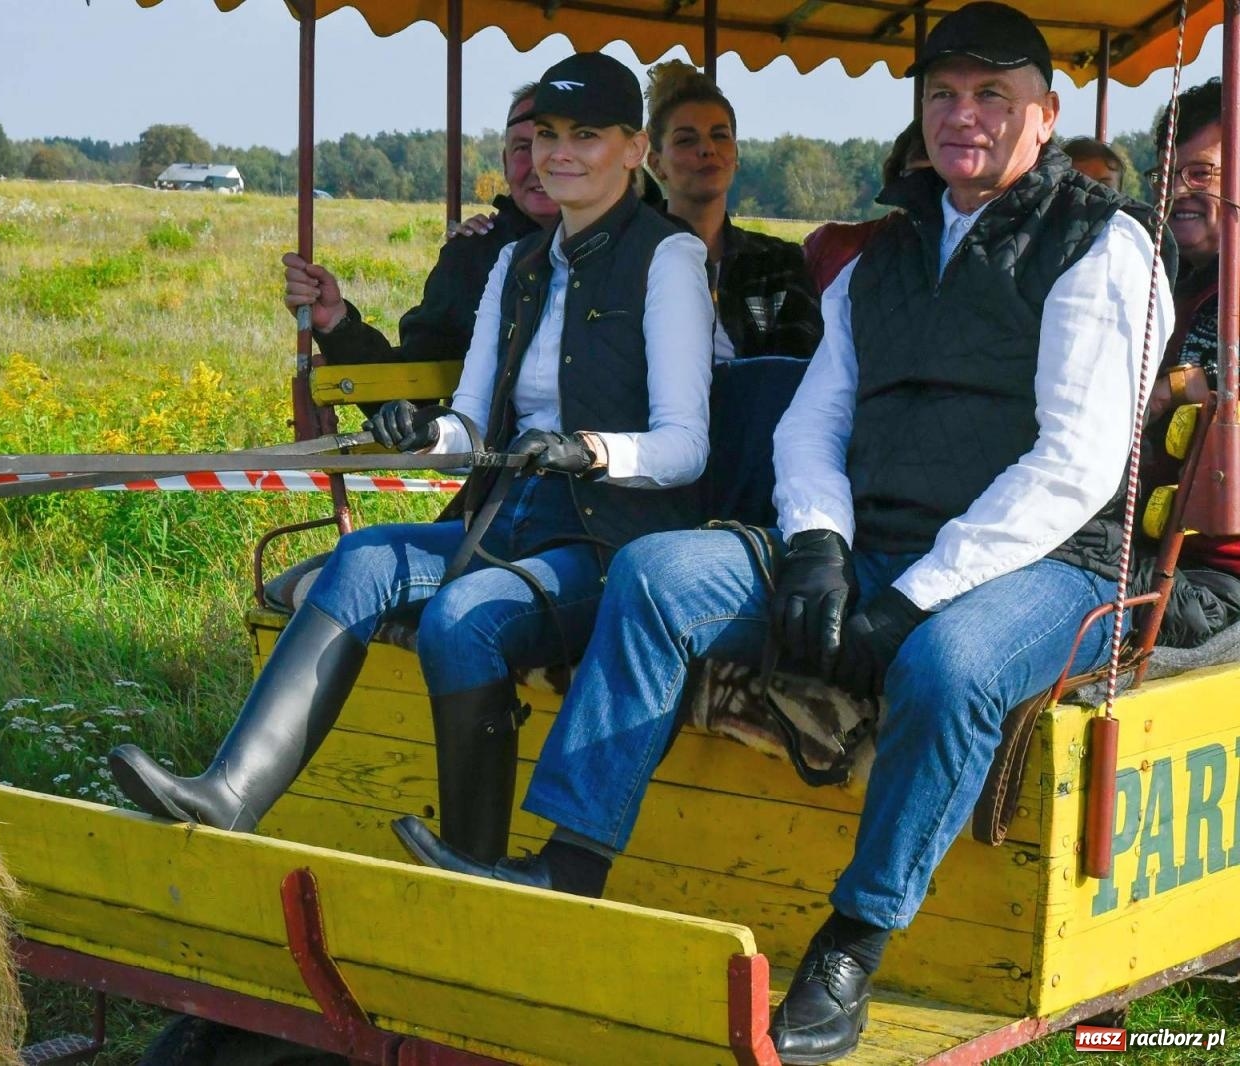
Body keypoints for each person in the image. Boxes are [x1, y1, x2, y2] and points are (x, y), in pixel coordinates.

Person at [395, 5, 1171, 1063]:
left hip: (1045, 563)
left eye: (993, 96)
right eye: (943, 94)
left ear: (1043, 113)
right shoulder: (881, 255)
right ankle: (569, 863)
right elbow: (816, 418)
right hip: (872, 538)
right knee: (663, 572)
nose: (964, 117)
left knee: (947, 668)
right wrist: (815, 543)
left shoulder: (1099, 243)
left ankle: (851, 945)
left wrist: (917, 596)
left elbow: (1074, 465)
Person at [110, 52, 715, 871]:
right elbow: (469, 426)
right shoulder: (515, 263)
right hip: (505, 517)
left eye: (586, 135)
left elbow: (688, 447)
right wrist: (421, 433)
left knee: (465, 620)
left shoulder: (669, 259)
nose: (559, 153)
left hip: (607, 541)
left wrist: (591, 449)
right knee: (359, 559)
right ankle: (229, 794)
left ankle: (474, 864)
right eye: (544, 136)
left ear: (634, 149)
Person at [281, 83, 558, 383]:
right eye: (523, 148)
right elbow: (415, 383)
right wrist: (337, 322)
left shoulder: (615, 256)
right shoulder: (473, 257)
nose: (537, 165)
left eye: (552, 145)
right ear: (505, 163)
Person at [1136, 77, 1240, 644]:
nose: (1177, 191)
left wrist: (1168, 390)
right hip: (1149, 546)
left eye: (1200, 173)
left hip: (1220, 577)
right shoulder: (1164, 280)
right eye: (1167, 176)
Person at [643, 60, 823, 361]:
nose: (707, 149)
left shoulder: (778, 262)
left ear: (736, 156)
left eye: (720, 136)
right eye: (686, 140)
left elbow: (799, 367)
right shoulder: (629, 257)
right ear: (656, 163)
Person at [802, 121, 930, 292]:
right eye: (924, 179)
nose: (938, 192)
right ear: (897, 181)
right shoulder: (834, 246)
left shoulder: (833, 245)